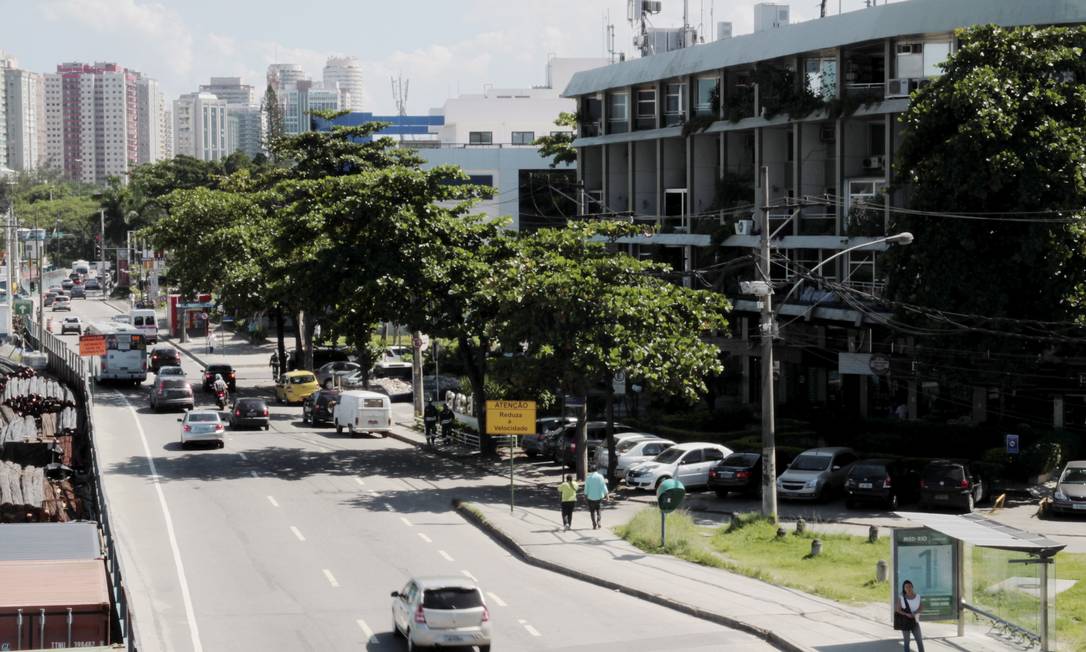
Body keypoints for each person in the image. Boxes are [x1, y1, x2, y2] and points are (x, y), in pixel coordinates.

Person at [896, 579, 925, 652]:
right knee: (907, 642)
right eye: (906, 587)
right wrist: (906, 614)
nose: (908, 588)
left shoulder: (918, 596)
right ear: (904, 588)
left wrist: (915, 612)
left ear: (912, 587)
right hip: (905, 622)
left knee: (919, 641)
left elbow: (921, 607)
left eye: (909, 586)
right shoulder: (901, 597)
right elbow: (898, 609)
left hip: (915, 621)